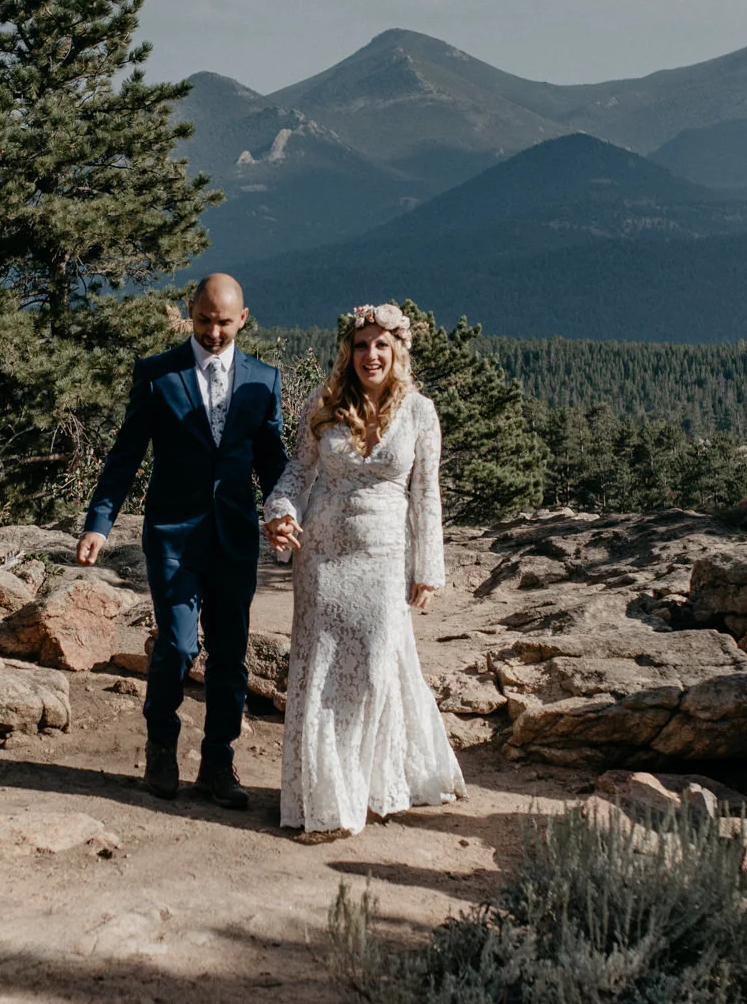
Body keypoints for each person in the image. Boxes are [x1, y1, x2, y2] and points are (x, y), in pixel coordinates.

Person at [76, 274, 290, 808]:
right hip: (172, 535)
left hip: (235, 537)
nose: (213, 332)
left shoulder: (265, 380)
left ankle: (219, 763)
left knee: (229, 653)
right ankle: (161, 747)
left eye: (224, 322)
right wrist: (99, 523)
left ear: (243, 318)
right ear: (188, 313)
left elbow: (274, 462)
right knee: (177, 643)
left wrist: (287, 511)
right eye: (204, 320)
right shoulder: (157, 374)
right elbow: (126, 455)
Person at [260, 303, 463, 842]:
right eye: (360, 344)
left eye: (380, 345)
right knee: (321, 670)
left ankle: (370, 782)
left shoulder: (420, 412)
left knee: (374, 670)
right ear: (347, 353)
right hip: (322, 557)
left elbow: (426, 494)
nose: (369, 355)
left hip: (383, 556)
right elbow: (295, 473)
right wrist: (280, 515)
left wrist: (428, 567)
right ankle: (328, 802)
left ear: (397, 351)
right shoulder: (322, 405)